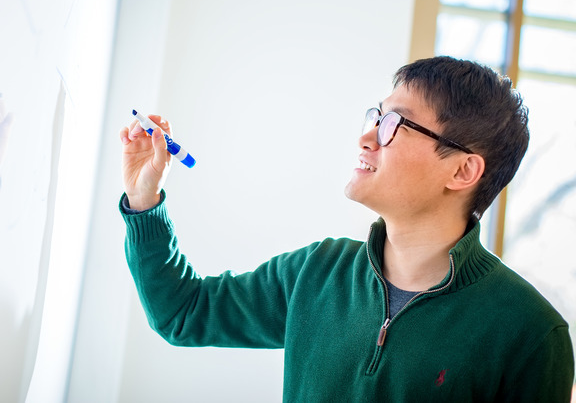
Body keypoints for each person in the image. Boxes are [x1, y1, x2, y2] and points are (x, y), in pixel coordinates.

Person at [119, 56, 574, 401]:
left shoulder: (531, 335)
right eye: (375, 116)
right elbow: (183, 312)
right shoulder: (317, 272)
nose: (367, 135)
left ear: (462, 172)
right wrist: (144, 200)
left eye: (395, 123)